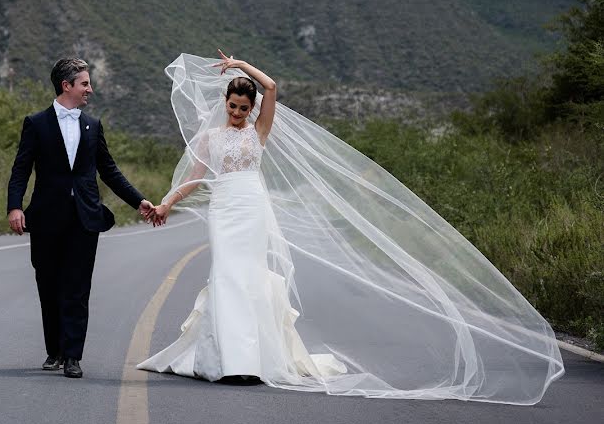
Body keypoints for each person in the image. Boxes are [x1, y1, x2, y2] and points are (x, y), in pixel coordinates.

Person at [138, 51, 564, 405]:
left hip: (252, 206)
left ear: (251, 111)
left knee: (247, 277)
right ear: (224, 103)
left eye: (242, 109)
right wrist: (167, 203)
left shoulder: (260, 130)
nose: (235, 114)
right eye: (232, 107)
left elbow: (272, 88)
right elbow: (194, 176)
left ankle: (248, 363)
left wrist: (242, 65)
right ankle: (226, 361)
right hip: (224, 207)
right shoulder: (211, 137)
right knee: (227, 275)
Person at [8, 58, 155, 379]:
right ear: (67, 86)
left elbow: (110, 170)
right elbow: (21, 169)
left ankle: (73, 355)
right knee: (48, 284)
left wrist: (139, 200)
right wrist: (14, 207)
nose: (90, 89)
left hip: (84, 219)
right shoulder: (36, 123)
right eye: (85, 83)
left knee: (77, 287)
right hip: (46, 218)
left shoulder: (93, 125)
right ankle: (55, 350)